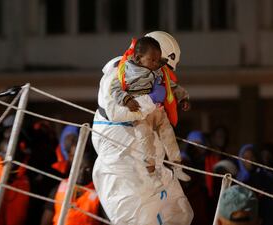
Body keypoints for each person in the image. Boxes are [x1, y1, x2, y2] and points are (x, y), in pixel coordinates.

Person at [92, 31, 193, 225]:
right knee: (137, 217)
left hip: (146, 162)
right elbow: (115, 111)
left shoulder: (152, 75)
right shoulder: (118, 72)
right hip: (122, 162)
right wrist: (149, 100)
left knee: (178, 212)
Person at [111, 36, 190, 181]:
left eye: (158, 60)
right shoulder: (126, 71)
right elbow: (115, 90)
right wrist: (127, 100)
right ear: (138, 58)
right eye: (152, 60)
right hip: (140, 115)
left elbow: (171, 85)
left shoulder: (158, 71)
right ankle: (151, 172)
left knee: (169, 136)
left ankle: (177, 166)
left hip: (158, 112)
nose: (155, 64)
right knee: (145, 141)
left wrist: (183, 97)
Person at [40, 152, 100, 225]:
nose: (82, 173)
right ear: (73, 165)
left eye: (87, 169)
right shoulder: (59, 188)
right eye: (79, 167)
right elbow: (45, 221)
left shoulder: (100, 195)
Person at [237, 144, 273, 225]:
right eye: (246, 158)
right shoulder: (236, 179)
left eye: (252, 157)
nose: (250, 160)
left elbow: (271, 205)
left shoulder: (265, 178)